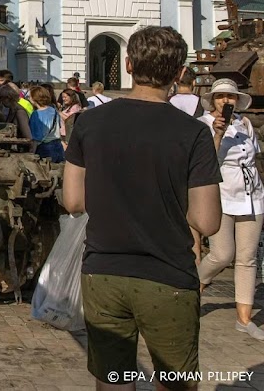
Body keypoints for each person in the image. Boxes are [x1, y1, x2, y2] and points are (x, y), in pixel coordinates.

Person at [62, 26, 222, 389]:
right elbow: (207, 221)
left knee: (114, 380)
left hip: (103, 271)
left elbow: (72, 201)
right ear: (180, 72)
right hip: (167, 277)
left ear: (129, 65)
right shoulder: (194, 133)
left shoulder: (88, 122)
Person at [196, 79, 264, 340]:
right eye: (221, 96)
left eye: (231, 96)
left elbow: (253, 157)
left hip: (251, 194)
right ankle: (194, 286)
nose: (226, 101)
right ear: (212, 100)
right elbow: (206, 163)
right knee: (222, 254)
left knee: (247, 259)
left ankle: (244, 319)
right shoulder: (203, 125)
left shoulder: (245, 123)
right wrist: (218, 134)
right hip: (222, 194)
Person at [0, 83, 35, 152]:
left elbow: (28, 137)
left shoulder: (19, 112)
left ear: (8, 98)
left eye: (1, 98)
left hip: (23, 149)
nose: (0, 101)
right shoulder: (12, 110)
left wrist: (31, 153)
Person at [27, 84, 65, 162]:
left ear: (34, 99)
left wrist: (31, 153)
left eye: (29, 96)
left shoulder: (36, 114)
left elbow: (36, 137)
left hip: (45, 148)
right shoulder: (54, 110)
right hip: (58, 146)